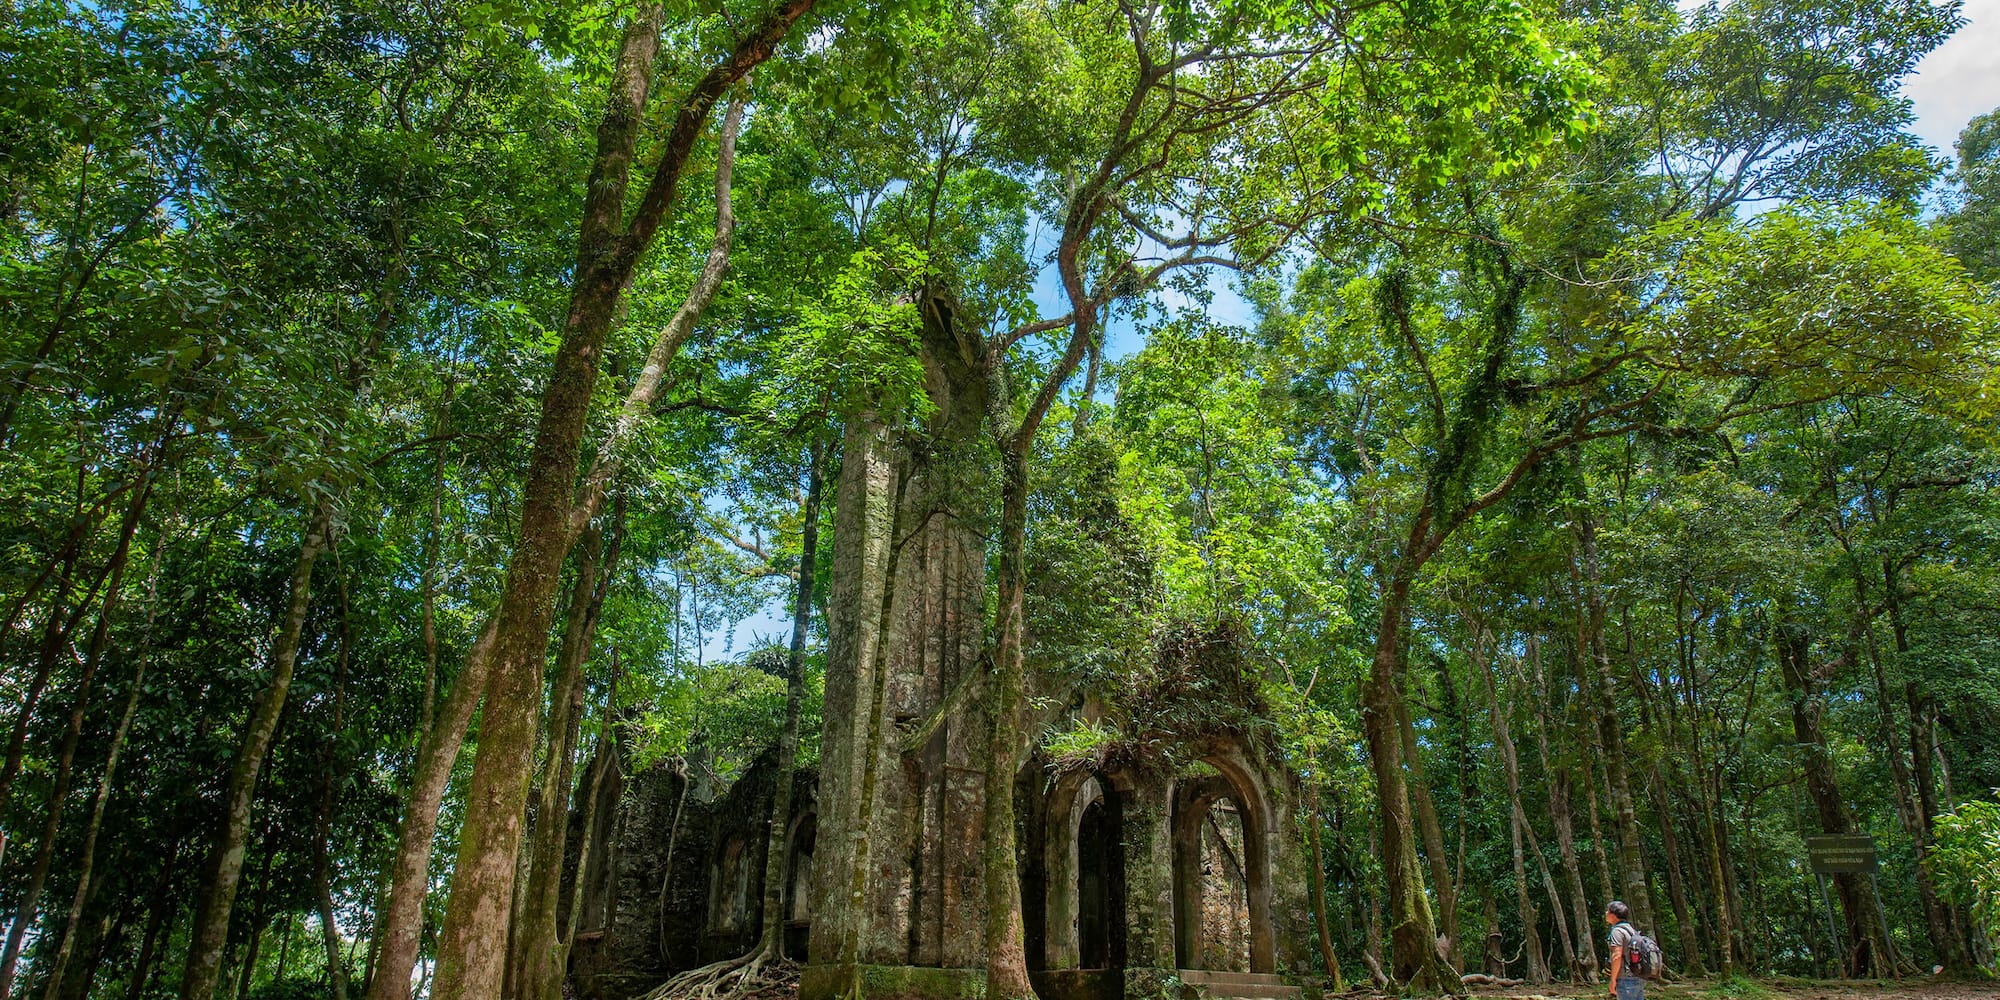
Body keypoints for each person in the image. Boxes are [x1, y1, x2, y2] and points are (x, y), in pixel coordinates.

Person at [1605, 900, 1643, 1000]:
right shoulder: (1631, 930)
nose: (1606, 913)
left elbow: (1617, 955)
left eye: (1608, 911)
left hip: (1624, 979)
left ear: (1614, 915)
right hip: (1636, 976)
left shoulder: (1617, 931)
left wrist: (1613, 979)